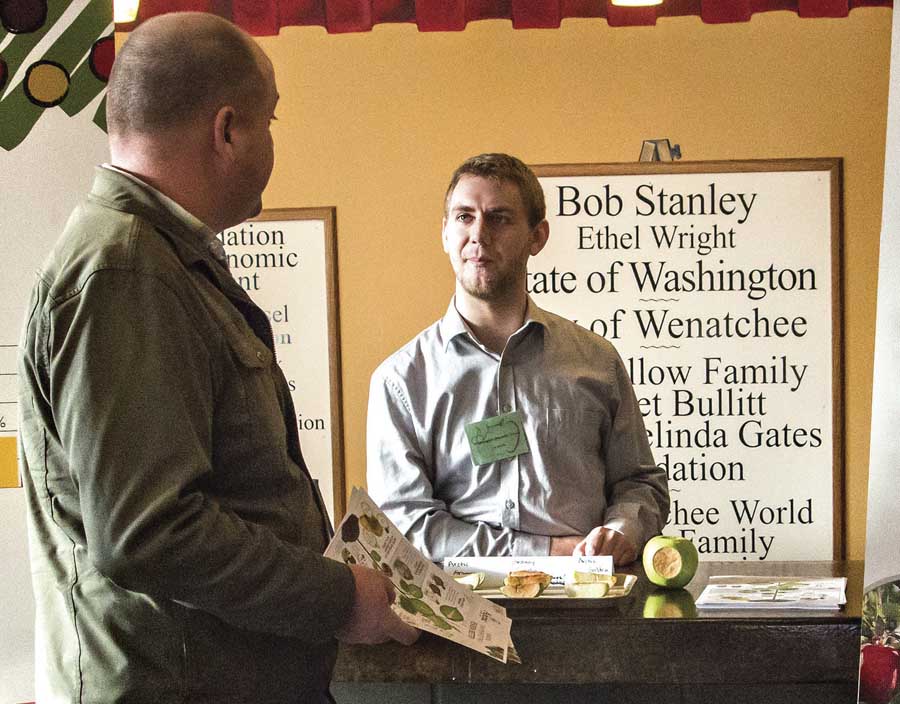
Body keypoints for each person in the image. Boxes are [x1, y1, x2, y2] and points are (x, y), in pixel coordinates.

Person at [17, 13, 415, 704]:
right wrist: (340, 596)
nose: (271, 143)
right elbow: (150, 530)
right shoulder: (127, 269)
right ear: (227, 130)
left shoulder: (152, 256)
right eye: (271, 121)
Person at [367, 153, 669, 565]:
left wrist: (622, 532)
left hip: (587, 611)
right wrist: (545, 553)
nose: (478, 235)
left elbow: (639, 484)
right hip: (457, 616)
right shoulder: (401, 381)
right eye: (464, 217)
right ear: (444, 233)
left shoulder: (597, 361)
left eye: (500, 218)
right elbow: (405, 526)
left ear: (537, 237)